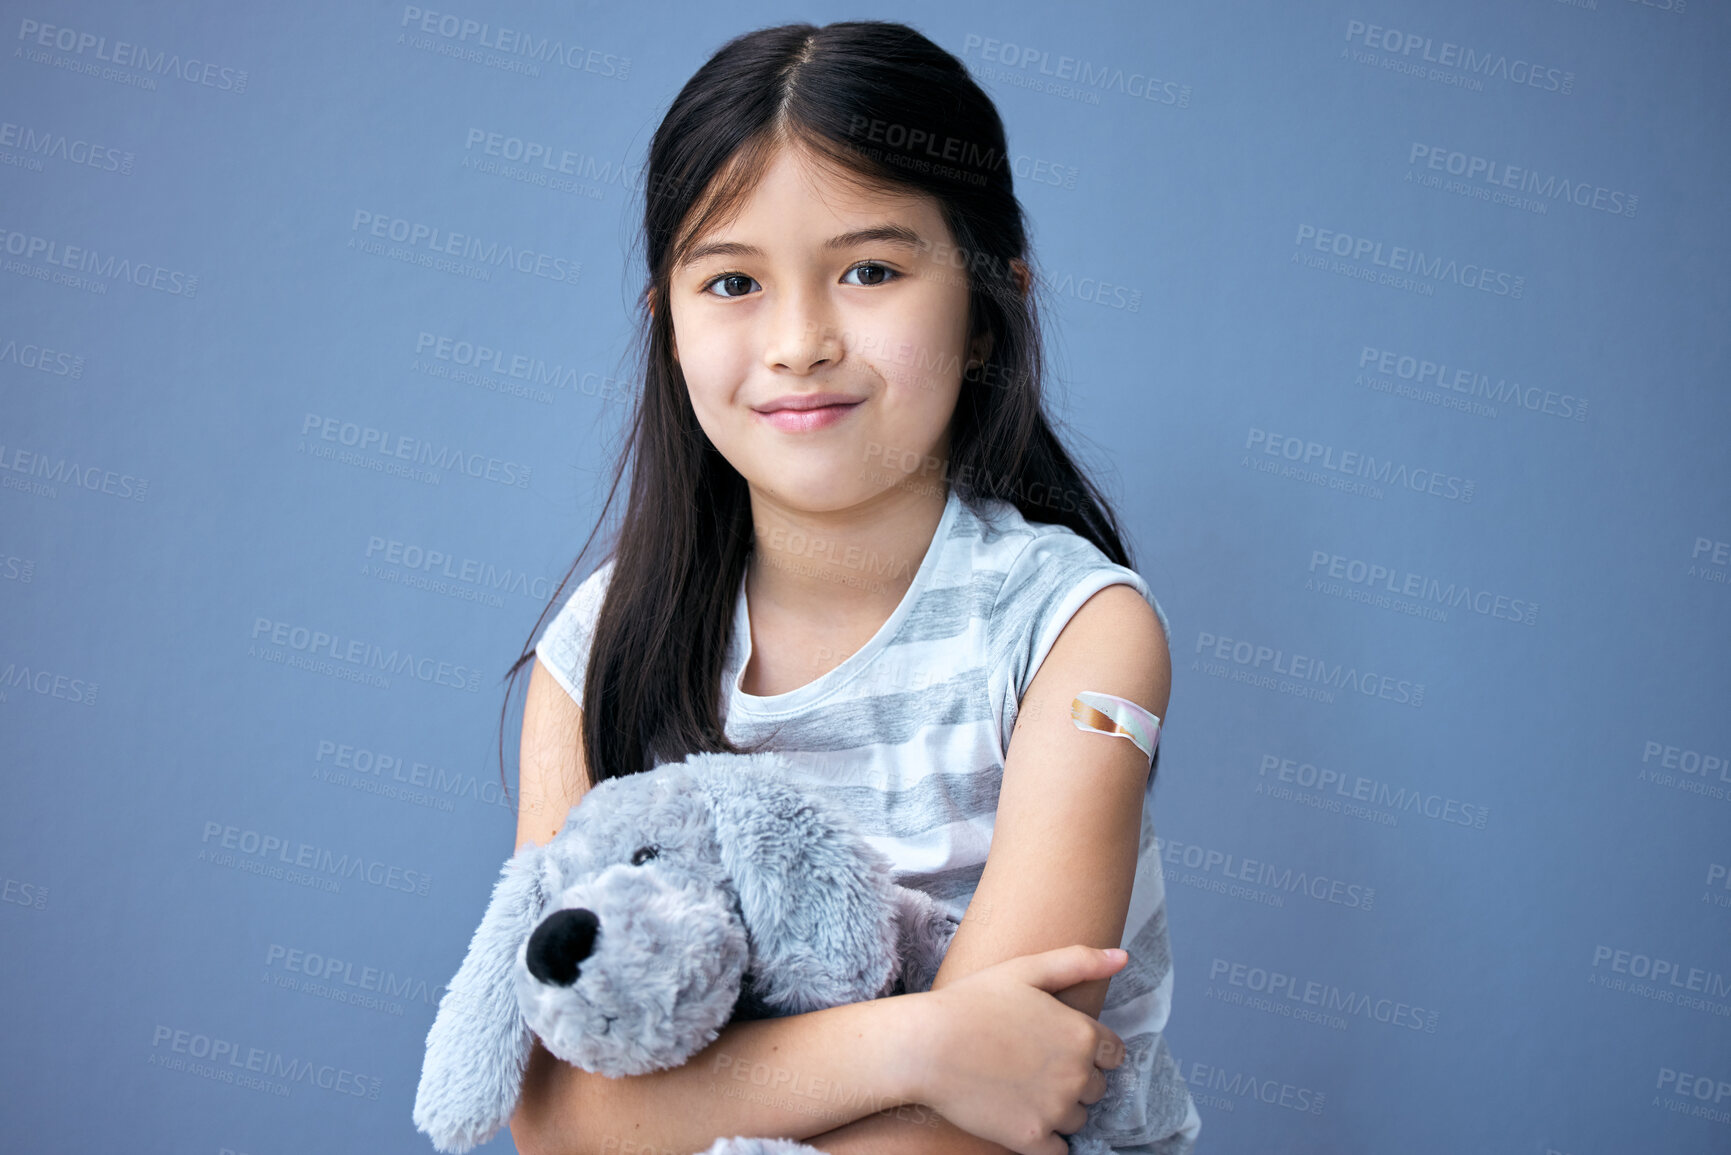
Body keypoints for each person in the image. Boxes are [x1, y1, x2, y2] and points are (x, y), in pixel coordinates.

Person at [496, 19, 1200, 1155]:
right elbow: (556, 1115)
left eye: (870, 271)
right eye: (732, 282)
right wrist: (922, 1045)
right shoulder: (595, 655)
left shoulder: (1074, 633)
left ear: (989, 306)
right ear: (665, 325)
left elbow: (990, 1116)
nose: (799, 341)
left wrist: (679, 1111)